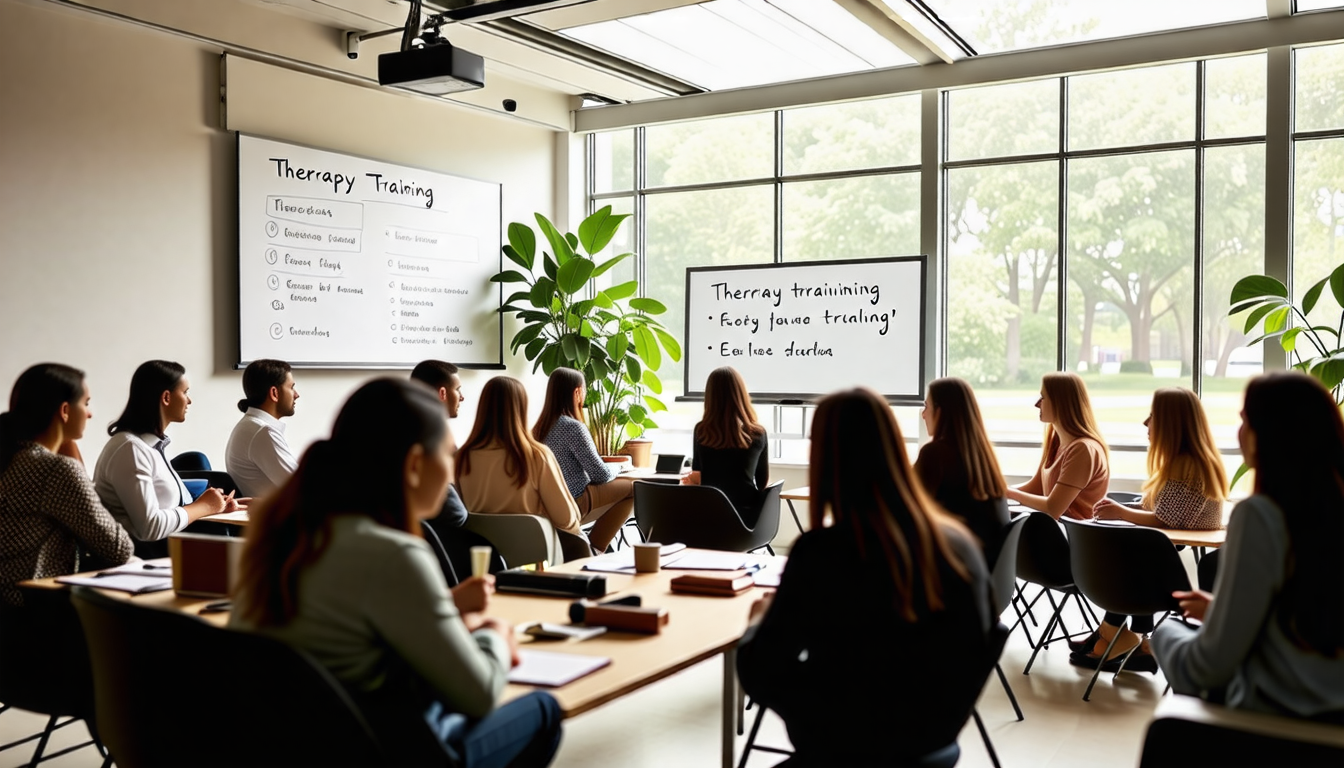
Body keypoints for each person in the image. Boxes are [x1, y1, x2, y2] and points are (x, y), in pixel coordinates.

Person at [231, 379, 562, 767]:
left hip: (294, 746)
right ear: (415, 465)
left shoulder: (285, 536)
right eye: (447, 453)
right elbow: (480, 693)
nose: (453, 467)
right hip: (385, 750)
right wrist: (495, 637)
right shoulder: (394, 553)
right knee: (544, 708)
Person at [736, 388, 995, 767]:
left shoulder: (824, 552)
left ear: (826, 456)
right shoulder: (961, 545)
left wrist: (760, 618)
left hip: (843, 750)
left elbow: (760, 669)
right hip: (930, 748)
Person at [1152, 372, 1344, 721]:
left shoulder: (1260, 517)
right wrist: (1224, 612)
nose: (1238, 432)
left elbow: (1206, 668)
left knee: (1169, 631)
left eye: (1245, 420)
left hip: (1277, 725)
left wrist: (1161, 635)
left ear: (1266, 434)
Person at [1075, 388, 1231, 671]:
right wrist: (1129, 509)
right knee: (1136, 551)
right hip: (1168, 561)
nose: (1146, 424)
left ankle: (1116, 634)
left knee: (1135, 553)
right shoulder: (1185, 462)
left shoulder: (1187, 464)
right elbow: (1160, 510)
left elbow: (1166, 518)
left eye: (1153, 417)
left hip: (1166, 577)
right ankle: (1129, 638)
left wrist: (1121, 512)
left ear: (1171, 423)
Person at [0, 364, 132, 606]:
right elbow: (118, 549)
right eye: (86, 403)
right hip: (33, 610)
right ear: (64, 411)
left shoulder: (10, 456)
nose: (90, 414)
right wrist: (68, 451)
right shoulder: (54, 469)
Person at [93, 360, 244, 557]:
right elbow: (150, 528)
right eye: (185, 392)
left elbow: (173, 508)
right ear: (166, 397)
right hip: (150, 557)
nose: (189, 401)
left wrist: (214, 506)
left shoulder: (150, 446)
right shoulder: (130, 449)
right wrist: (202, 507)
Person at [456, 377, 590, 561]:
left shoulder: (461, 458)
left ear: (483, 408)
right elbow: (566, 520)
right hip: (537, 561)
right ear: (522, 409)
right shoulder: (536, 455)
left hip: (486, 561)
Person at [532, 368, 634, 552]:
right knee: (634, 488)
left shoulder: (537, 428)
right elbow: (600, 474)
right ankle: (596, 547)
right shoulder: (573, 427)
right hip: (574, 499)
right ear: (577, 392)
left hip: (545, 506)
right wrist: (621, 466)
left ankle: (591, 545)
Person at [914, 377, 1011, 569]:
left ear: (940, 412)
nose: (923, 415)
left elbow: (907, 505)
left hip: (950, 575)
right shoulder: (983, 457)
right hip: (985, 577)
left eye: (926, 406)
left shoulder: (935, 454)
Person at [1006, 372, 1109, 521]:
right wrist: (995, 492)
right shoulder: (1055, 441)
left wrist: (1008, 493)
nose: (1037, 404)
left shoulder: (1083, 449)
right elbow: (1036, 489)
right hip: (1054, 531)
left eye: (1043, 397)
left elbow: (1053, 508)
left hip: (1073, 537)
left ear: (1060, 402)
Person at [684, 367, 769, 526]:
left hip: (709, 519)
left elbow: (698, 475)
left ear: (710, 396)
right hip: (747, 520)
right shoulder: (758, 433)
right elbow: (762, 481)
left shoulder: (701, 431)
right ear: (742, 394)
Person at [225, 358, 299, 499]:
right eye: (291, 387)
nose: (296, 394)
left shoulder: (251, 426)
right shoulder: (263, 432)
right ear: (274, 393)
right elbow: (305, 487)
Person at [411, 360, 469, 528]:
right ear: (442, 393)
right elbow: (457, 514)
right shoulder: (434, 441)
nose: (462, 397)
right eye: (458, 390)